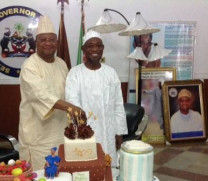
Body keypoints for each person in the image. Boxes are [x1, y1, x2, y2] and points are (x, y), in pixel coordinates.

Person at [18, 16, 86, 170]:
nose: (48, 43)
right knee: (40, 174)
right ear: (36, 42)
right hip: (38, 136)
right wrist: (71, 108)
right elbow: (42, 95)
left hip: (61, 132)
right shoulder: (30, 65)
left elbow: (68, 92)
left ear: (57, 42)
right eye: (43, 39)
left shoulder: (61, 63)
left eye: (52, 39)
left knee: (60, 174)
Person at [65, 30, 128, 167]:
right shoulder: (75, 73)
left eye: (99, 45)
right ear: (83, 49)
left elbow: (118, 104)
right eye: (90, 46)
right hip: (85, 134)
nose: (95, 49)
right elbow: (72, 103)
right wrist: (81, 130)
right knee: (87, 169)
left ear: (103, 48)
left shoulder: (111, 73)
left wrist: (119, 133)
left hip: (109, 132)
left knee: (108, 168)